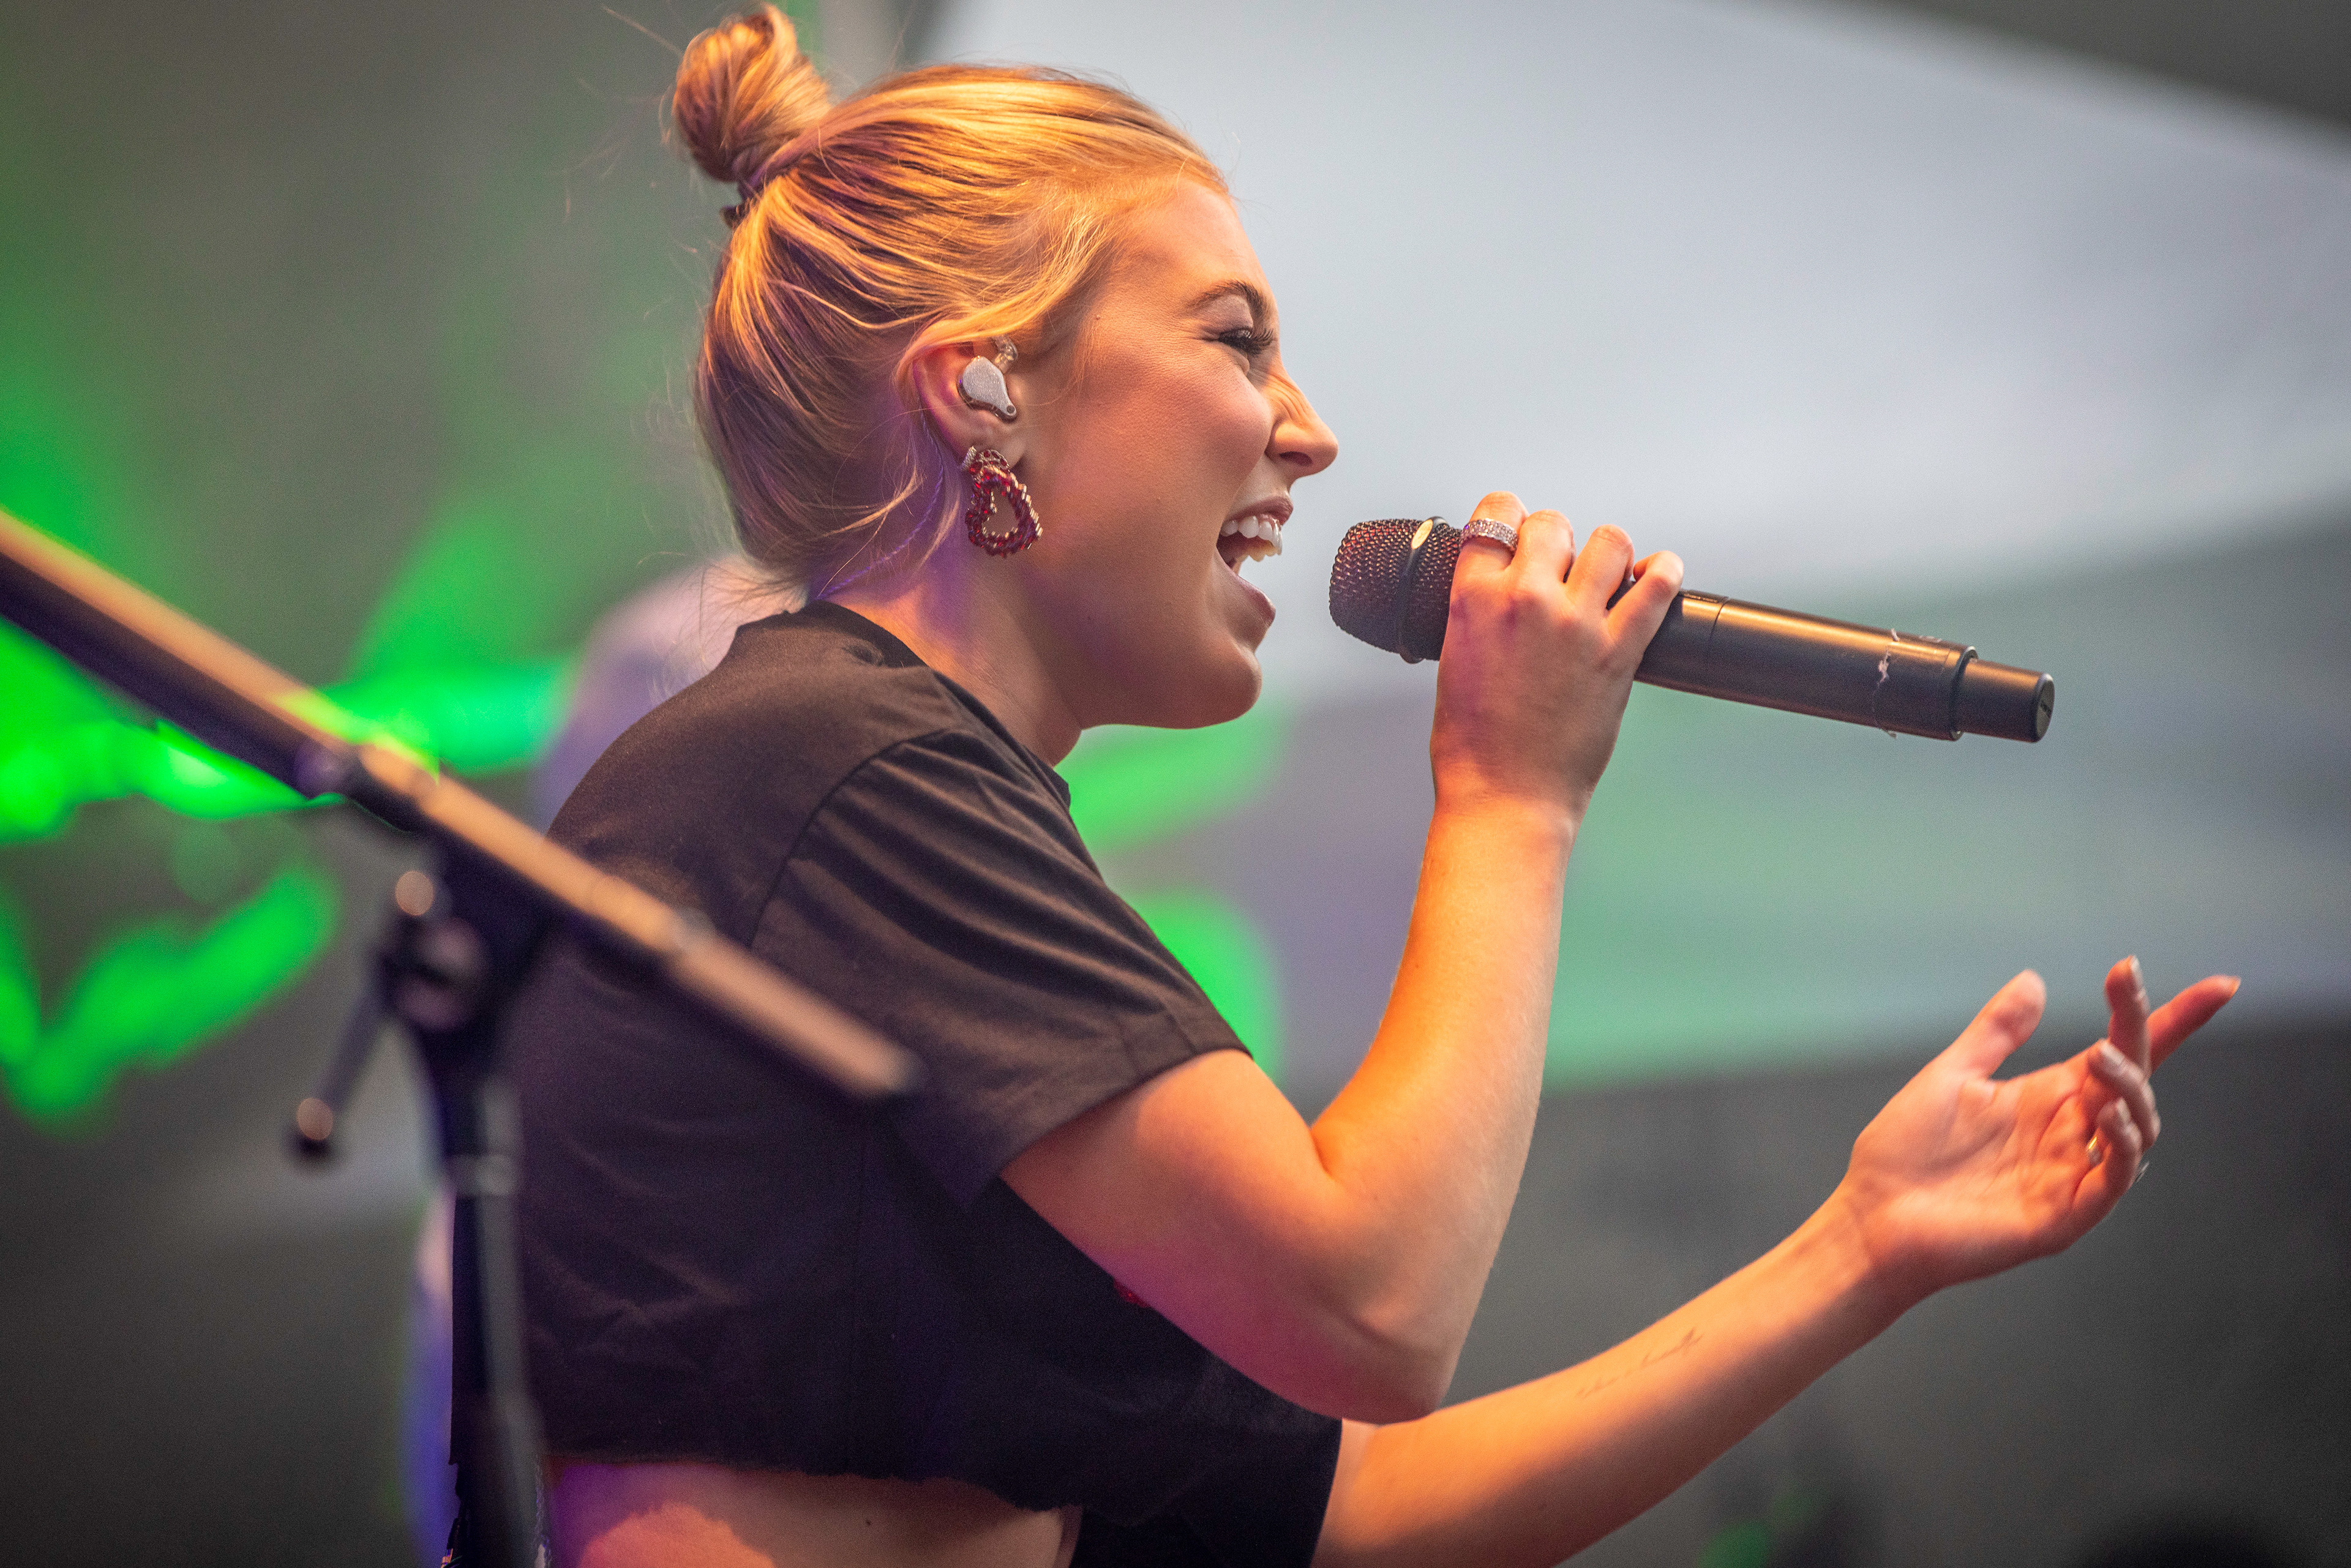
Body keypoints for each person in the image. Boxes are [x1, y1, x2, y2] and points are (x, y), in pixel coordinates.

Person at [504, 10, 2239, 1567]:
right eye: (1238, 340)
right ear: (983, 392)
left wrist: (1864, 1247)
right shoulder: (828, 765)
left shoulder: (903, 798)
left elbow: (1358, 1510)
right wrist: (1511, 794)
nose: (1310, 430)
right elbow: (1378, 1305)